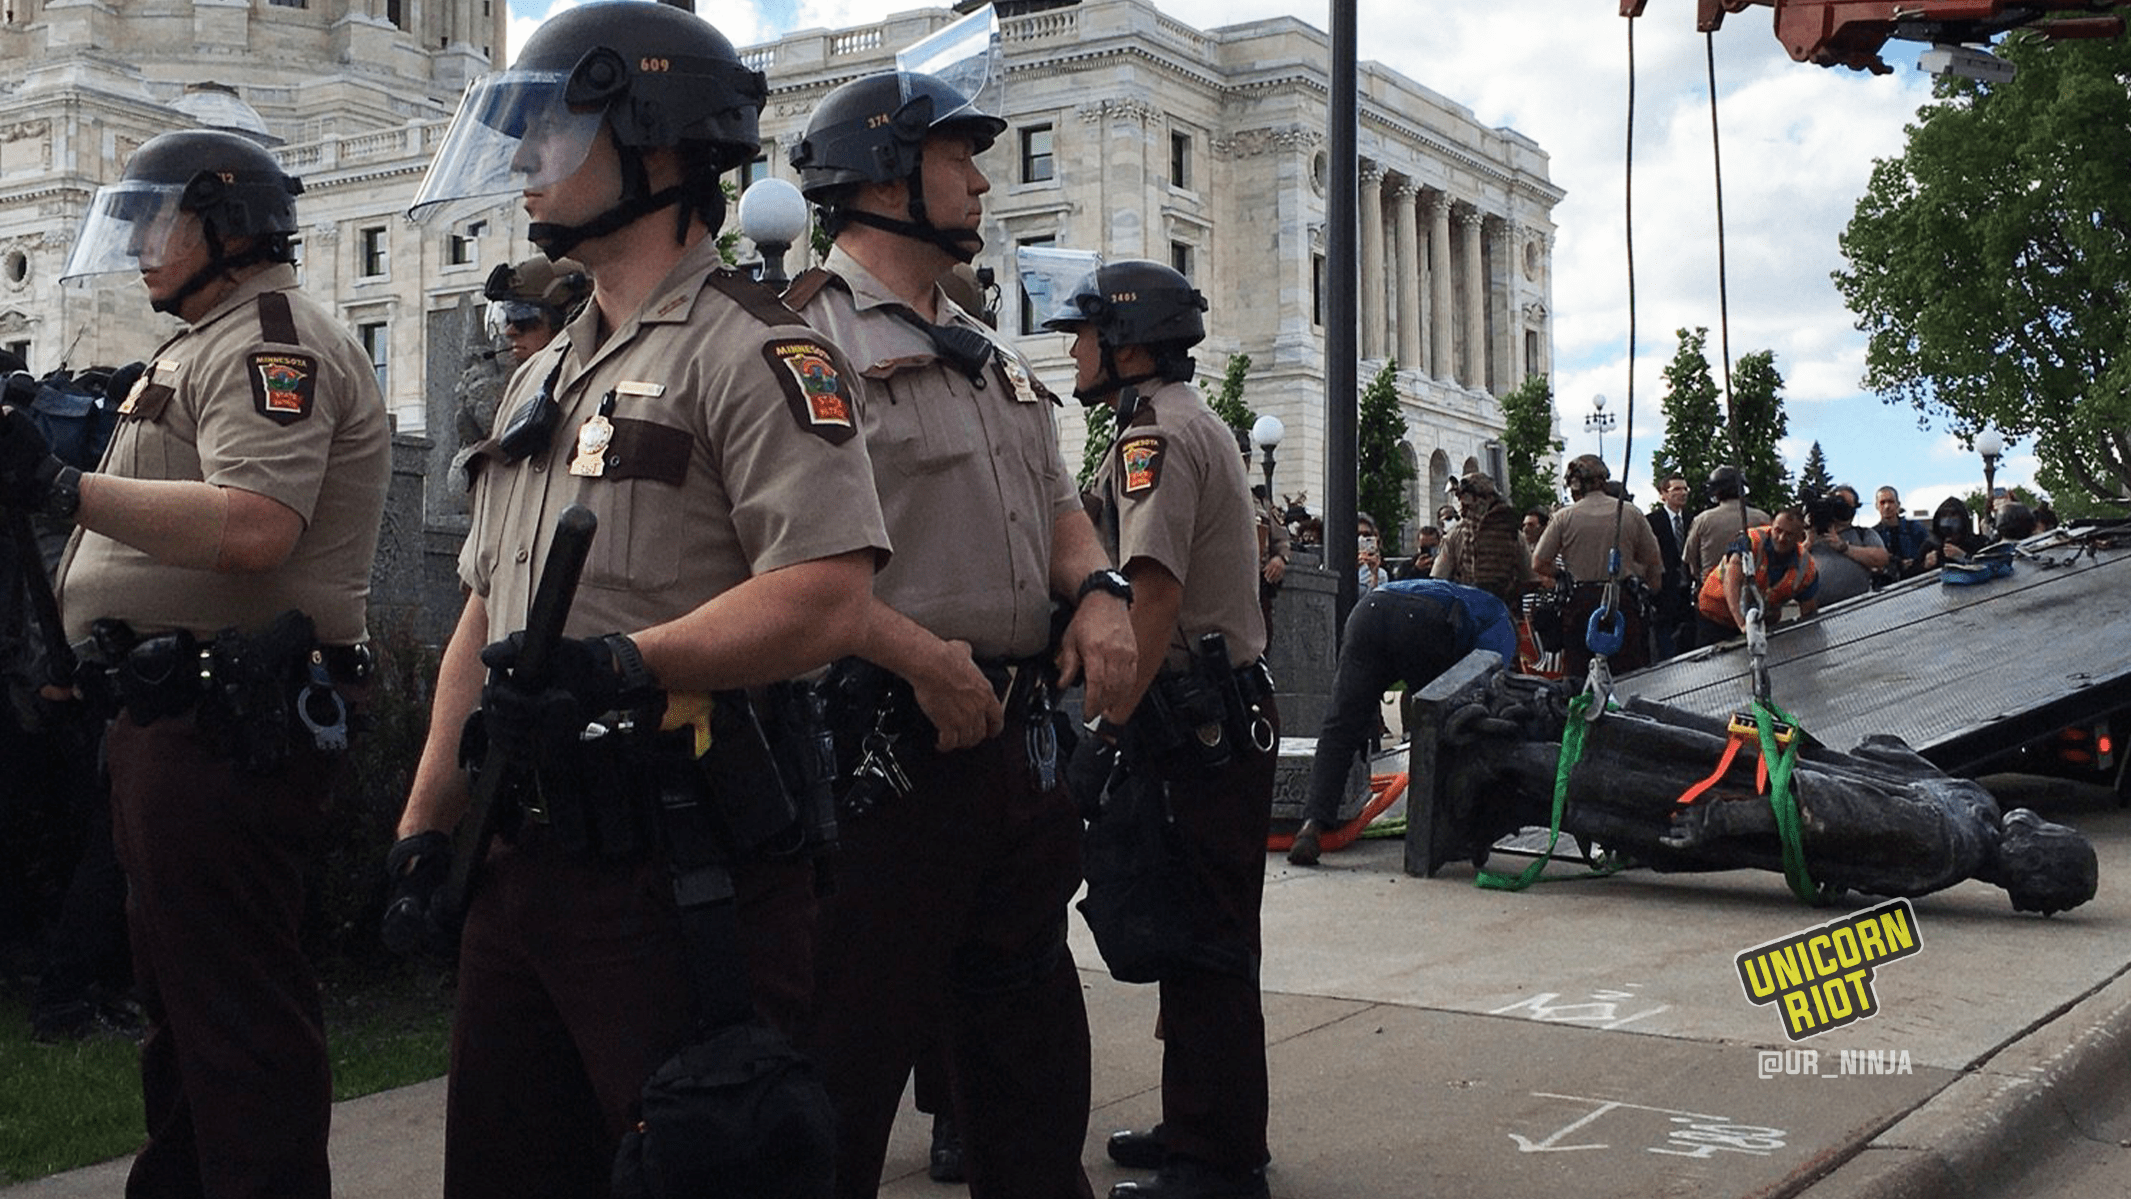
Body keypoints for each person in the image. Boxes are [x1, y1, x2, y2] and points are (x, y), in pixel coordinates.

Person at [390, 6, 890, 1196]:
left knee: (698, 1165)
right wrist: (421, 827)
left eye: (553, 130)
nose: (522, 159)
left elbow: (824, 594)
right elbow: (483, 613)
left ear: (657, 146)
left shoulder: (757, 350)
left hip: (677, 866)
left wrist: (627, 664)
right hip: (522, 863)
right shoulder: (542, 371)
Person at [3, 128, 391, 1198]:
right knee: (183, 1008)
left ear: (226, 226)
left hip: (233, 719)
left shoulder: (271, 337)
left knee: (234, 1014)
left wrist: (61, 486)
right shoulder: (202, 340)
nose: (135, 245)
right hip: (179, 712)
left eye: (154, 222)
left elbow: (259, 524)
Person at [782, 67, 1135, 1199]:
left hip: (1007, 746)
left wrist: (1098, 592)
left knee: (1029, 1060)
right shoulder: (798, 339)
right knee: (839, 1062)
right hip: (872, 752)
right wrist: (914, 656)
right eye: (957, 159)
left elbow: (1063, 510)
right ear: (883, 177)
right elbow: (778, 562)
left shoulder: (985, 348)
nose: (983, 180)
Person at [1048, 260, 1278, 1199]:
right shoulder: (1174, 423)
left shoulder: (1158, 437)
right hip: (1212, 711)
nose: (1072, 348)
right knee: (1201, 931)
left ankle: (1216, 1165)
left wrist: (1105, 727)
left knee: (1206, 940)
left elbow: (1153, 593)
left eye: (1085, 332)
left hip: (1197, 717)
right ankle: (1205, 1126)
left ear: (1129, 344)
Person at [1289, 578, 1516, 867]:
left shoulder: (1460, 593)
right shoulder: (1500, 618)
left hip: (1369, 610)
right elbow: (1485, 681)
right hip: (1423, 619)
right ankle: (1437, 835)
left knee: (1341, 727)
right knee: (1444, 730)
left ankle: (1312, 827)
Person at [1528, 454, 1663, 680]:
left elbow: (1539, 562)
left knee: (1580, 676)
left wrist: (1562, 575)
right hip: (1623, 602)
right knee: (1629, 674)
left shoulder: (1564, 517)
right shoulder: (1630, 512)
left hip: (1580, 605)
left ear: (1574, 485)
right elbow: (1653, 561)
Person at [1694, 507, 1820, 647]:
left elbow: (1809, 615)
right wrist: (1743, 624)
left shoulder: (1806, 567)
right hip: (1715, 616)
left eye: (1789, 535)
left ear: (1799, 537)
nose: (1781, 538)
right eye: (1778, 530)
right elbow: (1732, 582)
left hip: (1760, 625)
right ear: (1771, 525)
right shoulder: (1748, 541)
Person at [1431, 471, 1530, 609]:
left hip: (1468, 612)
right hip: (1504, 611)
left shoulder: (1455, 535)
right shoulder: (1514, 534)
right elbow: (1529, 579)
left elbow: (1439, 580)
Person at [483, 254, 591, 366]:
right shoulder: (526, 380)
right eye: (507, 318)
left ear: (571, 315)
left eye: (523, 318)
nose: (510, 331)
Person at [1682, 466, 1769, 596]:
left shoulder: (1702, 520)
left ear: (1715, 492)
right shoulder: (1762, 518)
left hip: (1714, 593)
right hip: (1754, 593)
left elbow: (1690, 560)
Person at [1804, 485, 1888, 608]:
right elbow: (1789, 562)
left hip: (1859, 607)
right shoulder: (1810, 534)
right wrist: (1808, 542)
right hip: (1818, 610)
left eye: (1846, 505)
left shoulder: (1863, 534)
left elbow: (1881, 559)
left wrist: (1844, 547)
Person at [1646, 474, 1694, 657]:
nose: (1682, 493)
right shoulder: (1652, 521)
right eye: (1676, 489)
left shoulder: (1693, 519)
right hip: (1664, 590)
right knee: (1665, 643)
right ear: (1663, 494)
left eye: (1685, 489)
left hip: (1688, 588)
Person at [1872, 485, 1929, 585]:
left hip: (1917, 582)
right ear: (1877, 506)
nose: (1887, 506)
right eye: (1882, 502)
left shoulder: (1915, 528)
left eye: (1891, 502)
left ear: (1898, 504)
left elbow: (1930, 547)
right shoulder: (1872, 535)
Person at [1919, 496, 1987, 572]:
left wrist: (1963, 557)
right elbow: (1909, 576)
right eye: (1944, 515)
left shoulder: (1978, 543)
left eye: (1953, 514)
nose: (1948, 519)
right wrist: (1925, 565)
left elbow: (1988, 567)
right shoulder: (1930, 547)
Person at [1355, 511, 1387, 594]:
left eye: (1366, 535)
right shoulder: (1333, 564)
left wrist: (1374, 575)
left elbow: (1374, 603)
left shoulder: (1380, 574)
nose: (1361, 539)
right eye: (1357, 535)